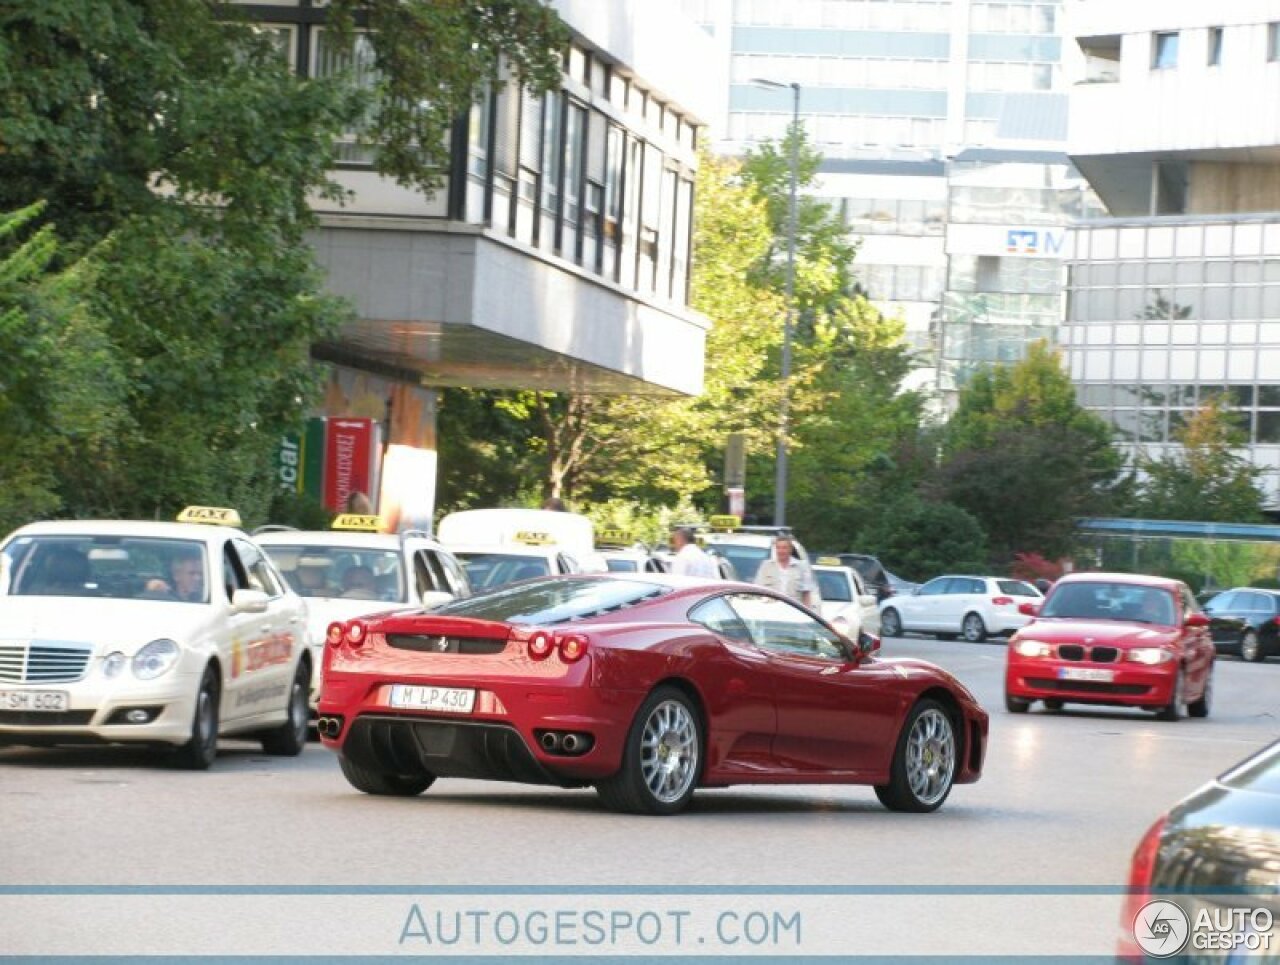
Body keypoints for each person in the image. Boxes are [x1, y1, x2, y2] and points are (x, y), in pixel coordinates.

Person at [755, 536, 818, 608]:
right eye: (778, 548)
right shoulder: (766, 566)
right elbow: (758, 590)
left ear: (790, 549)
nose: (781, 551)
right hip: (770, 609)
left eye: (784, 548)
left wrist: (806, 613)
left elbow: (806, 594)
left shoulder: (801, 567)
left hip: (793, 610)